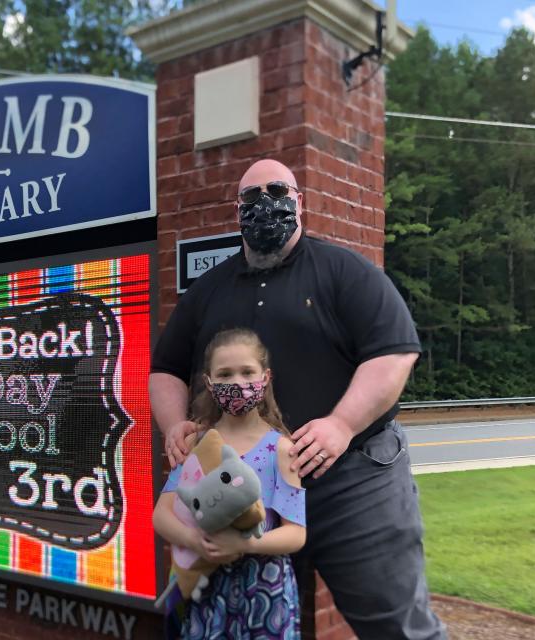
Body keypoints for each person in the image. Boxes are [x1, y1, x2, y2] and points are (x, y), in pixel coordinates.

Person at [150, 159, 447, 639]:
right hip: (248, 490)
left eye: (277, 189)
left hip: (351, 480)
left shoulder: (344, 271)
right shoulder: (209, 290)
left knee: (395, 624)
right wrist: (173, 425)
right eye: (251, 196)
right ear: (236, 210)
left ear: (298, 202)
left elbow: (394, 353)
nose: (264, 202)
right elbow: (164, 369)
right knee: (253, 621)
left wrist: (341, 424)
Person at [153, 328, 305, 640]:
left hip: (264, 590)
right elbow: (161, 515)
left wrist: (245, 544)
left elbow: (296, 533)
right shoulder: (197, 442)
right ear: (209, 383)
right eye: (224, 374)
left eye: (247, 372)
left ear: (265, 377)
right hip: (204, 587)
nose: (236, 382)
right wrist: (195, 541)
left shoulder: (282, 449)